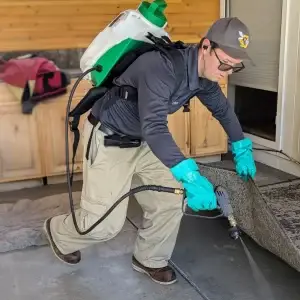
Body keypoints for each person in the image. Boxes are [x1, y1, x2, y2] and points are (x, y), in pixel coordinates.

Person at [43, 17, 256, 285]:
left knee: (171, 198)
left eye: (235, 67)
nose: (226, 71)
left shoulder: (205, 77)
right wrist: (190, 174)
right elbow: (155, 126)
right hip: (110, 138)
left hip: (145, 142)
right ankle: (58, 232)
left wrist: (241, 146)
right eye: (224, 62)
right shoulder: (161, 67)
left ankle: (150, 258)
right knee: (103, 225)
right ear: (205, 47)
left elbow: (223, 111)